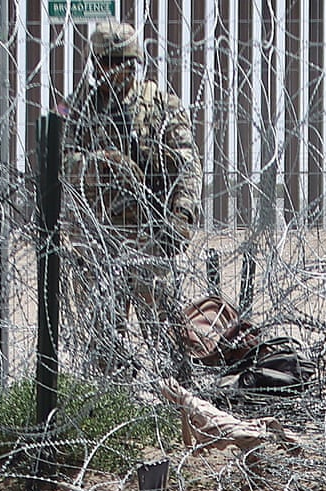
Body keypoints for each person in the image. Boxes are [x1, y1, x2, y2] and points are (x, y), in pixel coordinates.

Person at [61, 21, 201, 379]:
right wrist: (101, 165)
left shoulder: (159, 106)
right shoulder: (82, 109)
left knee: (165, 339)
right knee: (102, 342)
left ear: (129, 64)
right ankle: (112, 411)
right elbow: (62, 164)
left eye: (111, 63)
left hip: (148, 236)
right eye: (99, 63)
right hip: (97, 238)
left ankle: (177, 408)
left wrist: (181, 215)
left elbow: (187, 165)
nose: (103, 72)